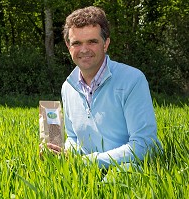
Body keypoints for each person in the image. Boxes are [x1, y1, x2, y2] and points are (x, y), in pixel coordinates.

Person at [42, 6, 162, 168]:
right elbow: (73, 138)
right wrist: (63, 153)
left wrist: (87, 162)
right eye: (76, 43)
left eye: (92, 41)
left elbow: (144, 144)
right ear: (68, 46)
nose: (84, 50)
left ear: (106, 43)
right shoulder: (67, 87)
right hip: (88, 171)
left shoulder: (132, 80)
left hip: (130, 170)